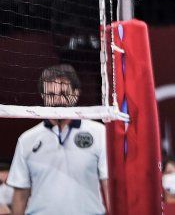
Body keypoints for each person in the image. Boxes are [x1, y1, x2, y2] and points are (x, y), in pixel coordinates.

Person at [7, 65, 109, 215]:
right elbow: (20, 193)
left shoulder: (99, 133)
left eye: (63, 93)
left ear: (75, 94)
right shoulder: (27, 140)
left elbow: (108, 185)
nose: (57, 99)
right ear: (43, 96)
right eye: (50, 94)